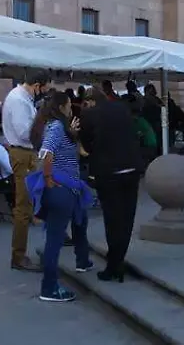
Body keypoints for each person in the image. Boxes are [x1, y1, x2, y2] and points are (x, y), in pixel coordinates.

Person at [27, 91, 90, 302]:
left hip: (64, 187)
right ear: (62, 106)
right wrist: (48, 177)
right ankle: (49, 287)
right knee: (54, 241)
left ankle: (72, 268)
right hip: (61, 187)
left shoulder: (58, 127)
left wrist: (71, 133)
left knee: (58, 236)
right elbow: (46, 152)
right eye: (69, 105)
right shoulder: (55, 127)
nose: (71, 108)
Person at [78, 88, 142, 282]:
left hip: (108, 172)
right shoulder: (122, 109)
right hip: (132, 168)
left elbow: (87, 146)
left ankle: (114, 265)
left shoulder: (88, 115)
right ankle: (118, 260)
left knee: (113, 219)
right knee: (127, 217)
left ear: (90, 101)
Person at [1, 71, 49, 273]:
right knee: (23, 206)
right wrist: (43, 128)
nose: (42, 93)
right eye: (43, 89)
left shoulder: (22, 97)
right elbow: (24, 132)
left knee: (27, 203)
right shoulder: (20, 100)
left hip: (25, 153)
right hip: (23, 153)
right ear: (37, 85)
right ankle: (18, 256)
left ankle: (20, 253)